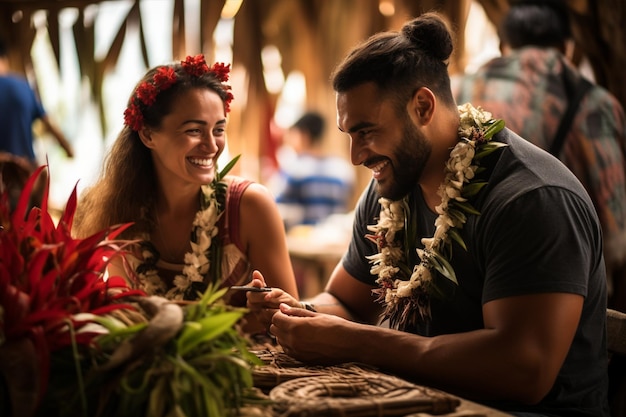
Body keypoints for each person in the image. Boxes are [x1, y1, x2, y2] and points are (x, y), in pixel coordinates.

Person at [245, 12, 609, 417]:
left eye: (366, 132)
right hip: (416, 402)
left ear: (422, 106)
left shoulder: (531, 199)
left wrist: (353, 341)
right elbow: (345, 303)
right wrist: (299, 315)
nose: (355, 156)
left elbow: (524, 371)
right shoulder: (391, 188)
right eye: (349, 135)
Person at [73, 54, 299, 334]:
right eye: (193, 130)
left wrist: (262, 310)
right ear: (147, 135)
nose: (211, 145)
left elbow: (291, 320)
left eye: (218, 129)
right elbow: (124, 317)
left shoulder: (249, 206)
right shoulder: (116, 210)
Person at [452, 0, 626, 312]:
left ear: (504, 44)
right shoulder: (591, 102)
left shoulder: (460, 92)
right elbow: (616, 233)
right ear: (566, 46)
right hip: (556, 283)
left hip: (459, 274)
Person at [0, 38, 74, 209]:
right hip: (27, 177)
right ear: (6, 58)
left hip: (3, 179)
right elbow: (49, 123)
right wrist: (68, 148)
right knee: (28, 230)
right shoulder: (23, 87)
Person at [272, 111, 355, 229]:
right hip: (336, 237)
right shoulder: (343, 169)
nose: (289, 141)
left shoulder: (295, 169)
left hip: (304, 241)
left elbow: (276, 206)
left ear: (304, 136)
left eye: (293, 135)